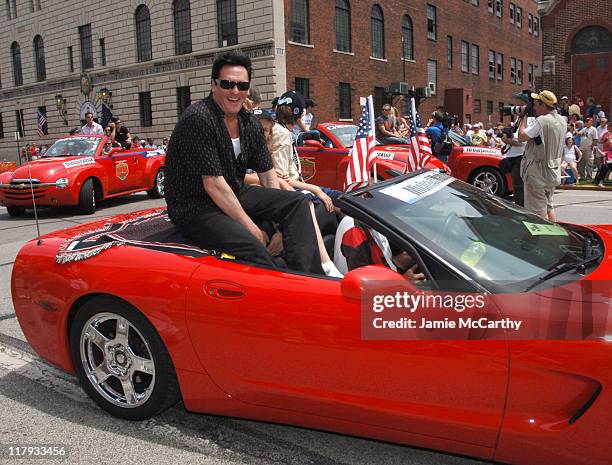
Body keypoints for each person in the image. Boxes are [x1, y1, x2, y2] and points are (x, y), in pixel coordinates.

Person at [164, 51, 324, 275]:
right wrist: (252, 229)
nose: (235, 91)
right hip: (195, 206)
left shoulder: (248, 122)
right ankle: (280, 294)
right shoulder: (198, 119)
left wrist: (280, 228)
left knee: (297, 202)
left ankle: (311, 280)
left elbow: (267, 175)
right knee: (254, 245)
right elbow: (212, 183)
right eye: (228, 84)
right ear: (214, 85)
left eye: (242, 85)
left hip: (233, 190)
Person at [518, 90, 566, 221]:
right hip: (552, 171)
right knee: (549, 207)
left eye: (536, 104)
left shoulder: (542, 121)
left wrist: (522, 119)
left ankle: (543, 239)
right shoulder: (562, 121)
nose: (534, 107)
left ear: (543, 105)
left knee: (537, 213)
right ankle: (555, 237)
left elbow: (521, 137)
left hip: (537, 173)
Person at [333, 216, 425, 281]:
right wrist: (404, 281)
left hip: (386, 274)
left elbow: (385, 257)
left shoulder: (372, 220)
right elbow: (361, 282)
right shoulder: (354, 231)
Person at [500, 127, 525, 206]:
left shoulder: (527, 122)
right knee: (515, 185)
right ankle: (519, 204)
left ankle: (520, 207)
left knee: (518, 186)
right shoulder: (518, 123)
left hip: (519, 158)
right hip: (511, 158)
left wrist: (506, 140)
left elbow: (521, 143)